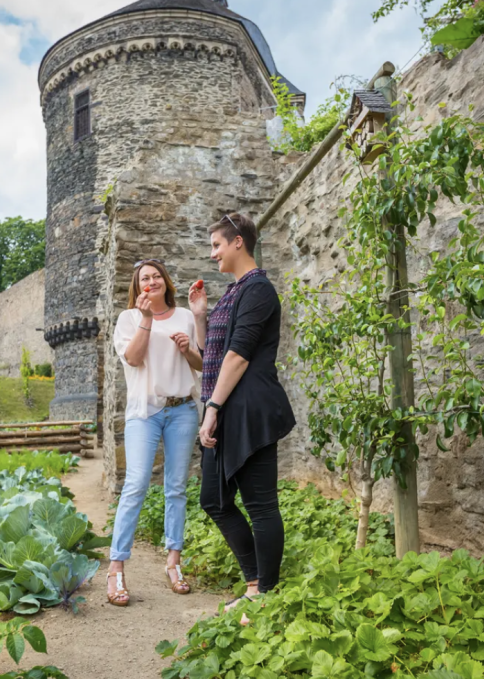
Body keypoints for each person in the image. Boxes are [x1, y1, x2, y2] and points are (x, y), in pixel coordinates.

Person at [188, 213, 295, 613]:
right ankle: (255, 581)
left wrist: (212, 408)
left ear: (238, 243)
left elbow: (238, 355)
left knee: (260, 503)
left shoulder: (259, 290)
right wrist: (201, 315)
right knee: (214, 499)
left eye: (216, 244)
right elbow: (210, 357)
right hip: (226, 406)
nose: (212, 252)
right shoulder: (233, 293)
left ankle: (263, 592)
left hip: (248, 409)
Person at [108, 259, 202, 607]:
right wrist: (146, 320)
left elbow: (202, 364)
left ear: (165, 281)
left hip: (182, 411)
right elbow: (132, 359)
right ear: (138, 287)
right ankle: (116, 567)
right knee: (135, 484)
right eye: (144, 278)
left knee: (176, 487)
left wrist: (187, 349)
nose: (151, 281)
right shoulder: (129, 318)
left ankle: (174, 563)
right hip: (144, 412)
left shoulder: (185, 317)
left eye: (156, 275)